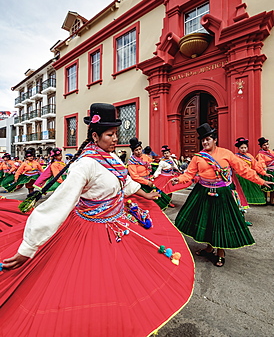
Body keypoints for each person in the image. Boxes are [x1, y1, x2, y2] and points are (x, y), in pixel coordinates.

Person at [0, 103, 194, 336]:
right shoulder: (85, 165)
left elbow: (126, 183)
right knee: (93, 285)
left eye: (115, 134)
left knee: (125, 281)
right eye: (110, 135)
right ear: (95, 135)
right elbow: (58, 206)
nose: (115, 139)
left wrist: (146, 193)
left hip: (117, 225)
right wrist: (29, 247)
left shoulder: (111, 157)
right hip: (90, 231)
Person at [172, 123, 272, 268]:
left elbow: (244, 170)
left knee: (220, 222)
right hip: (203, 191)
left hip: (222, 192)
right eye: (203, 140)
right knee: (207, 221)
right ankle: (209, 247)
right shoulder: (198, 157)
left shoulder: (226, 154)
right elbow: (189, 173)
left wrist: (261, 180)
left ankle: (220, 252)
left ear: (215, 139)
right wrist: (179, 179)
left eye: (208, 139)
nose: (205, 142)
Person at [127, 137, 171, 209]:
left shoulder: (145, 156)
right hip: (140, 184)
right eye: (136, 150)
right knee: (147, 203)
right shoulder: (131, 163)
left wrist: (163, 161)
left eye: (140, 149)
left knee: (158, 198)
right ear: (133, 152)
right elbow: (134, 177)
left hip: (149, 180)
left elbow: (152, 161)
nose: (139, 151)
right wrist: (147, 182)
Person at [235, 137, 270, 206]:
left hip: (250, 175)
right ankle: (243, 201)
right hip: (240, 176)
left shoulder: (250, 156)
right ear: (238, 148)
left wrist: (263, 173)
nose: (243, 149)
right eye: (241, 148)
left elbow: (256, 166)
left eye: (245, 148)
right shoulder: (236, 157)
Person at [256, 137, 274, 204]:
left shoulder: (271, 152)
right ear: (261, 146)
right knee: (266, 186)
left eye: (267, 144)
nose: (266, 146)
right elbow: (261, 162)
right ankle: (266, 200)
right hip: (267, 170)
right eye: (264, 145)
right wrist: (264, 167)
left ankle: (272, 200)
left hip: (273, 170)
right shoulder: (260, 154)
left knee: (273, 186)